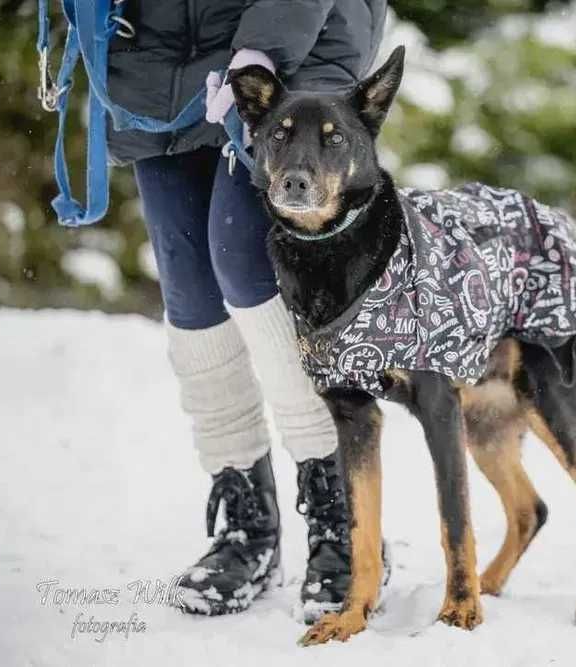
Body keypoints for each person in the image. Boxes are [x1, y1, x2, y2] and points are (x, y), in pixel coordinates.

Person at [106, 0, 387, 619]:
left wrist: (263, 48)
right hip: (162, 58)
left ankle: (343, 513)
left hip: (294, 48)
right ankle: (246, 520)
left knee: (247, 264)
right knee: (190, 287)